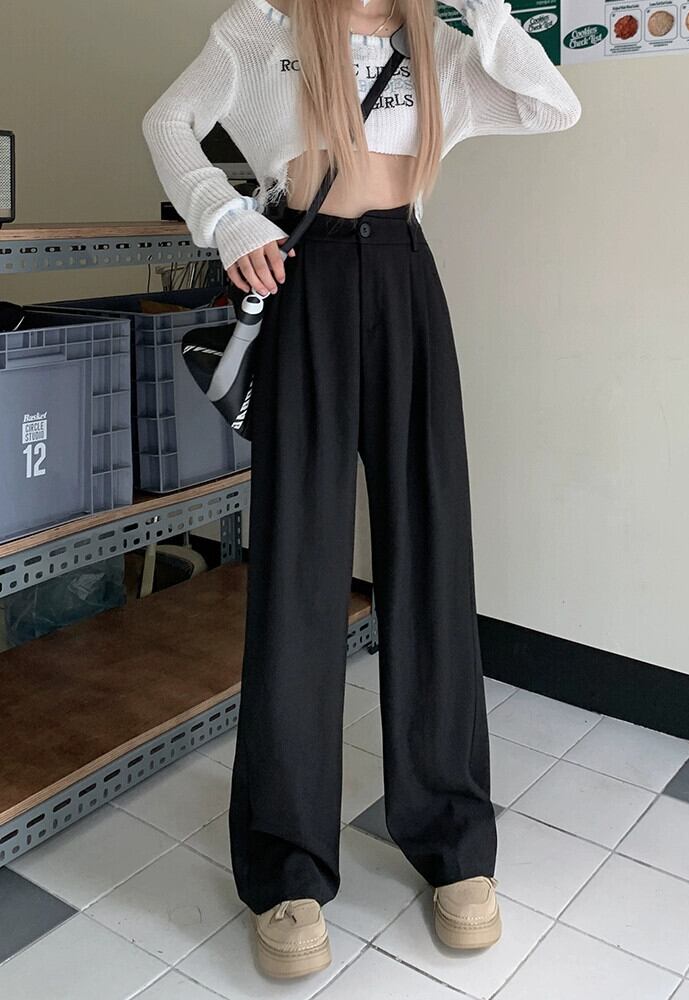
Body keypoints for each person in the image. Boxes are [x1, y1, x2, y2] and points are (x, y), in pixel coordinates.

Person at [142, 0, 581, 980]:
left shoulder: (444, 48)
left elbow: (553, 104)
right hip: (307, 284)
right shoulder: (264, 29)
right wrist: (227, 215)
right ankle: (286, 866)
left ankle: (454, 843)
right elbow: (166, 121)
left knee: (432, 556)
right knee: (299, 570)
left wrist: (488, 10)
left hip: (406, 281)